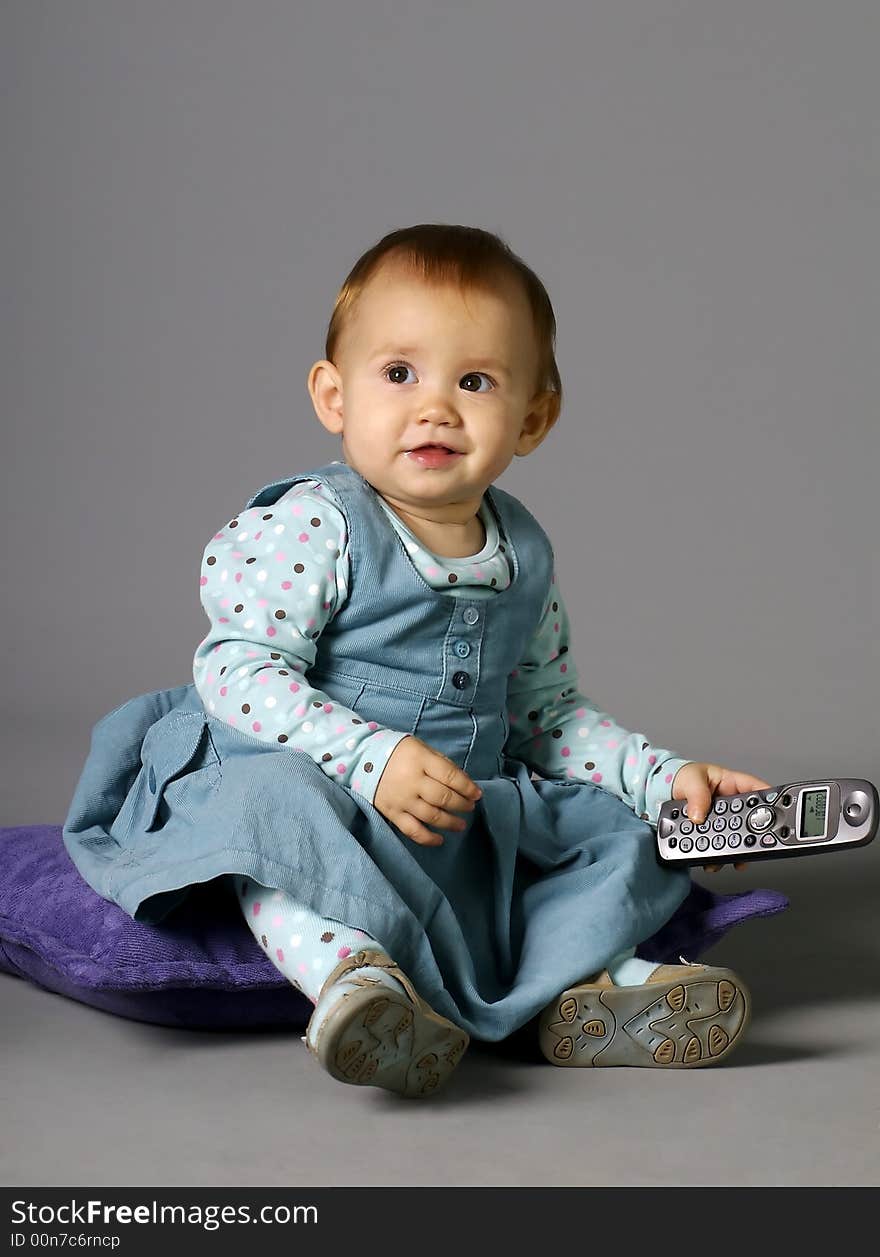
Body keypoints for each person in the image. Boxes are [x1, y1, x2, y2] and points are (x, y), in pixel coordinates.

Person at [63, 223, 775, 1099]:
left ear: (535, 416)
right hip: (318, 776)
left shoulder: (524, 552)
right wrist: (374, 757)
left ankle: (590, 991)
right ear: (334, 395)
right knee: (271, 821)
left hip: (454, 806)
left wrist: (664, 778)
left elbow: (547, 717)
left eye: (474, 380)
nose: (435, 406)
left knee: (617, 832)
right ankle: (355, 981)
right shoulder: (317, 525)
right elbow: (238, 674)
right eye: (399, 373)